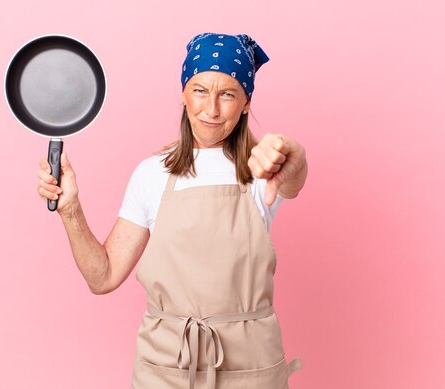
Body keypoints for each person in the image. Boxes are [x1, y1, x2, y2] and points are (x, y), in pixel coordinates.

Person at [37, 32, 308, 389]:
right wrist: (70, 210)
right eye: (200, 91)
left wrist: (291, 154)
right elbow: (102, 278)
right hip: (166, 367)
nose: (211, 109)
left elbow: (293, 177)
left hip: (251, 367)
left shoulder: (261, 170)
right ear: (183, 94)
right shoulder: (152, 174)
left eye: (227, 94)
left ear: (245, 102)